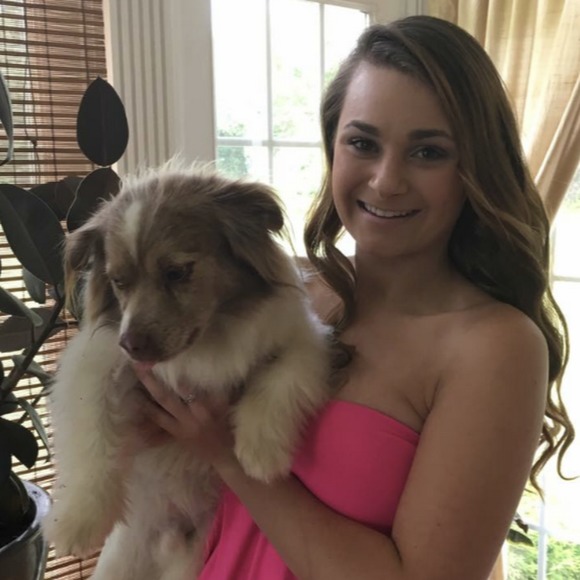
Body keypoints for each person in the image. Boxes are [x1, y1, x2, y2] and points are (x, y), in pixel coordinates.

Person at [134, 15, 575, 580]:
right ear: (332, 147)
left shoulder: (494, 348)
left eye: (428, 152)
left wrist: (226, 454)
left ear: (474, 168)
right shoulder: (288, 298)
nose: (387, 180)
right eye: (363, 143)